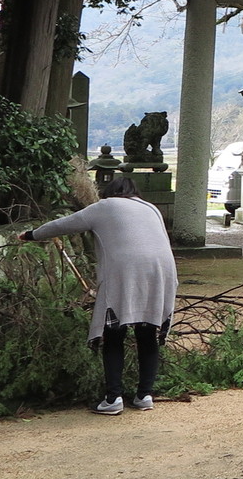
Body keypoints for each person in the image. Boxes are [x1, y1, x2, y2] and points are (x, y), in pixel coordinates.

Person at [21, 168, 178, 415]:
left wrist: (31, 235)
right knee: (147, 330)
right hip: (162, 271)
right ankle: (144, 395)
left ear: (109, 193)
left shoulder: (104, 206)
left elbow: (62, 225)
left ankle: (113, 398)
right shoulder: (151, 208)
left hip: (124, 271)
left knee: (114, 332)